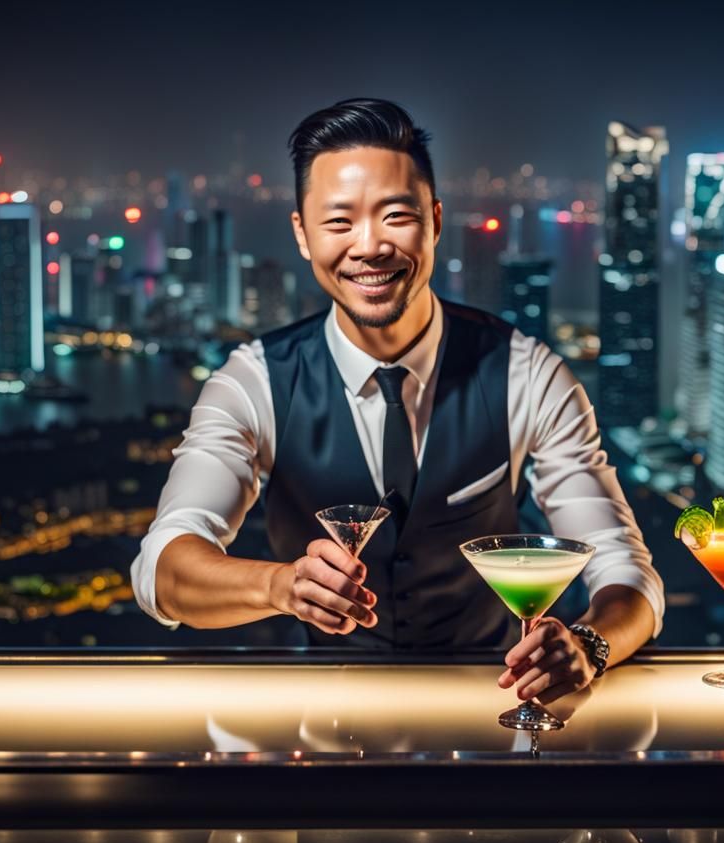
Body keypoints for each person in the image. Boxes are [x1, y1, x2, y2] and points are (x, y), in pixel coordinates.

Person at [131, 98, 664, 705]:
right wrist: (279, 585)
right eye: (338, 223)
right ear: (303, 236)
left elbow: (628, 577)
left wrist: (589, 646)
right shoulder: (251, 381)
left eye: (395, 216)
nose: (370, 246)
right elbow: (162, 571)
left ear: (435, 220)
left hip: (494, 711)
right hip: (324, 721)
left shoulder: (528, 373)